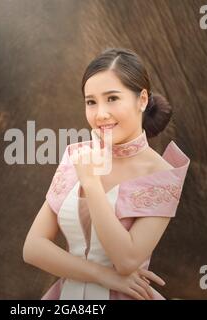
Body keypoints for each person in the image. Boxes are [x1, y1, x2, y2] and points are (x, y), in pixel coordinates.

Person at [23, 48, 190, 300]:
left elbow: (125, 260)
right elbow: (33, 247)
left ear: (142, 100)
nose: (100, 114)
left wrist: (91, 182)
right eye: (91, 102)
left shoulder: (163, 175)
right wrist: (103, 275)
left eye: (112, 98)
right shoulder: (75, 156)